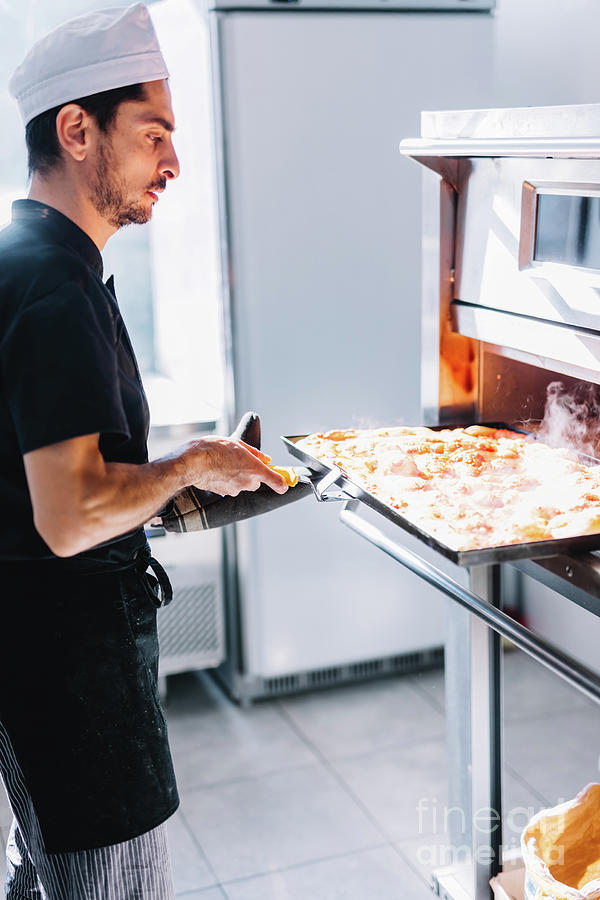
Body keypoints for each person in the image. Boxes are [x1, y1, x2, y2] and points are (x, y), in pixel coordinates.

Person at [0, 4, 290, 897]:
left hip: (36, 679)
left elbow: (52, 479)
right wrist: (191, 466)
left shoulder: (32, 262)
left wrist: (175, 488)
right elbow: (71, 513)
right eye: (154, 134)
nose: (173, 163)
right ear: (78, 130)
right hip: (73, 690)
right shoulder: (56, 288)